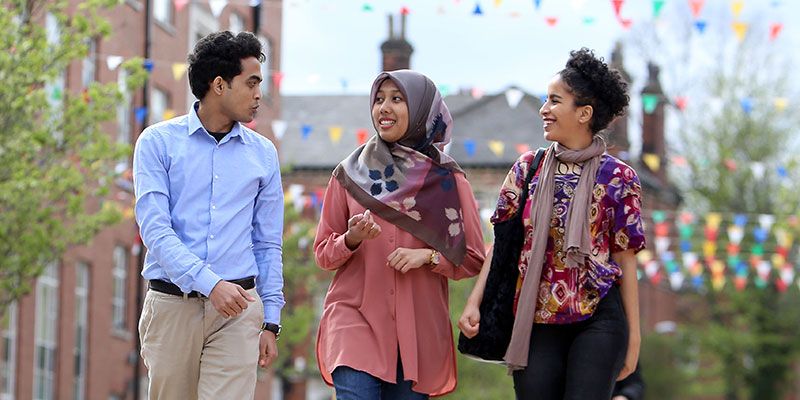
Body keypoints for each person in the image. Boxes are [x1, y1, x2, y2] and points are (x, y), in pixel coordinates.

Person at [458, 48, 645, 400]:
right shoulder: (526, 169)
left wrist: (634, 339)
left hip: (598, 317)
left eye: (555, 101)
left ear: (584, 114)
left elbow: (626, 259)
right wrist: (475, 301)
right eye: (545, 100)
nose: (544, 110)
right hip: (536, 319)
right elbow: (502, 242)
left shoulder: (620, 178)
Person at [313, 70, 486, 399]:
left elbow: (474, 258)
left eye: (397, 99)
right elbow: (323, 253)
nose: (384, 108)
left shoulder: (448, 180)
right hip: (354, 317)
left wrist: (429, 256)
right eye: (379, 99)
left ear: (422, 109)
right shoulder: (349, 175)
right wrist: (350, 239)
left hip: (417, 333)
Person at [133, 31, 284, 400]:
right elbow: (155, 229)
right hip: (172, 307)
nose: (258, 94)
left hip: (239, 311)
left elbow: (267, 242)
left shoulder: (263, 155)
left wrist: (271, 319)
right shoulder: (157, 143)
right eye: (251, 83)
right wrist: (209, 284)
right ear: (219, 84)